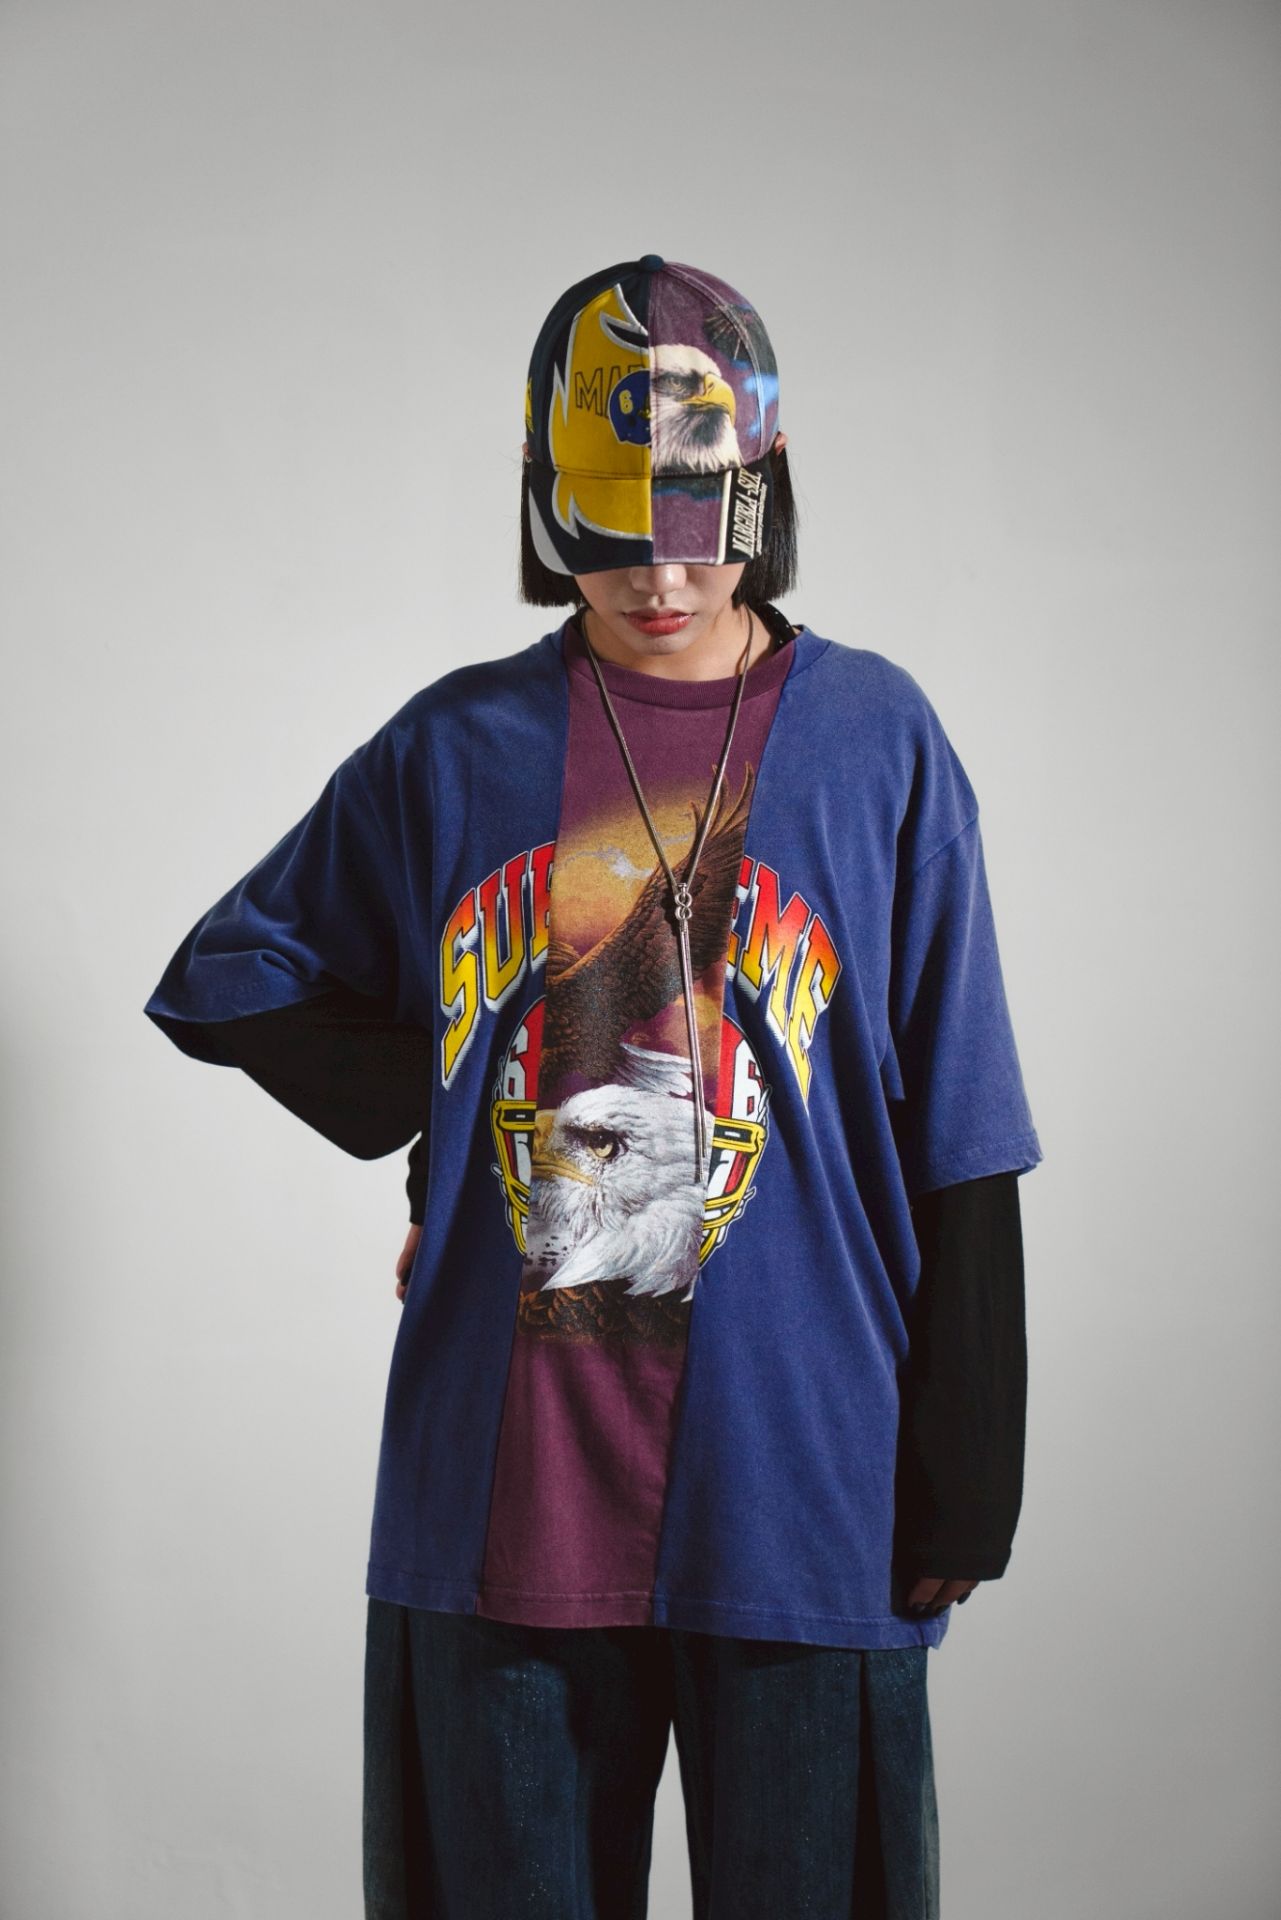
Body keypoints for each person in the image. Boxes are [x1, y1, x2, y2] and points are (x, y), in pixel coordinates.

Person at [144, 255, 1042, 1919]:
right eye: (612, 532)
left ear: (763, 485)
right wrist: (434, 1126)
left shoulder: (877, 737)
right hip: (504, 1488)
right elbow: (234, 971)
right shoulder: (458, 743)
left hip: (806, 1469)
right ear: (544, 498)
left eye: (698, 526)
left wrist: (968, 1467)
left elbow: (961, 1112)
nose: (659, 575)